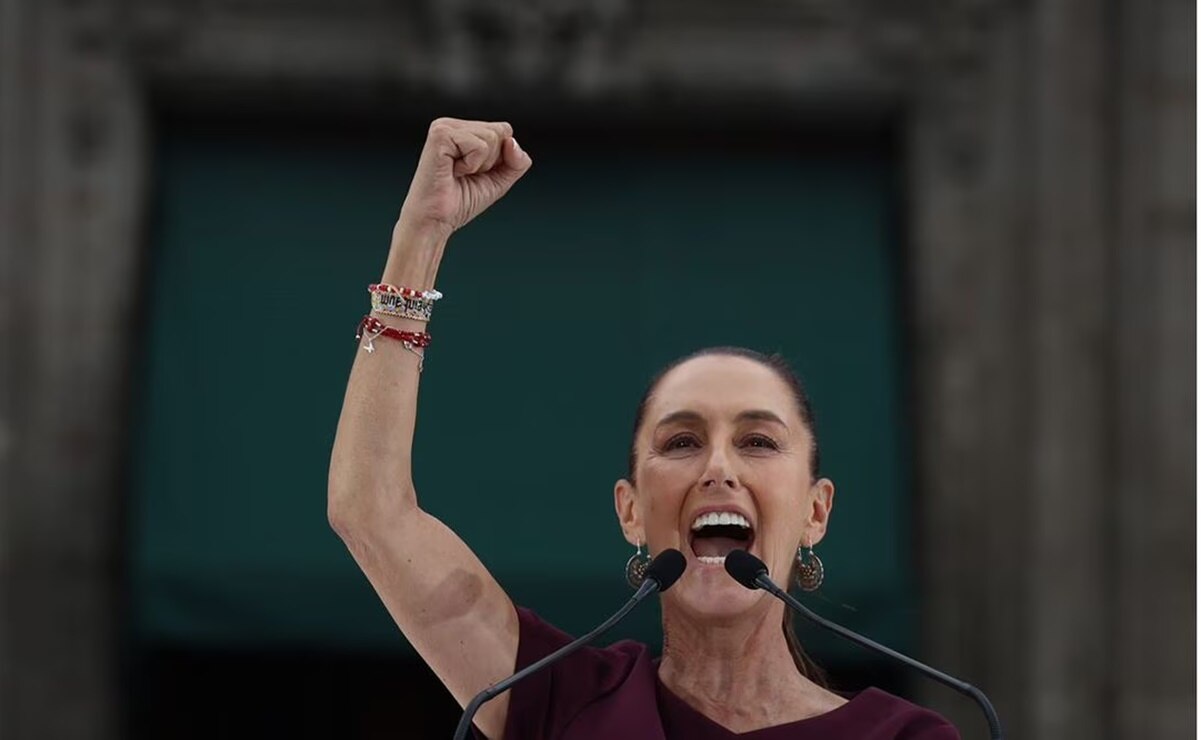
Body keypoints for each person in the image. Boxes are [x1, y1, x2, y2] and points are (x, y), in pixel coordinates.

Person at [328, 117, 960, 739]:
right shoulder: (557, 699)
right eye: (681, 442)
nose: (718, 467)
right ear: (629, 511)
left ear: (817, 511)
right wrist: (420, 237)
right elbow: (371, 512)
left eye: (758, 442)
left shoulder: (903, 734)